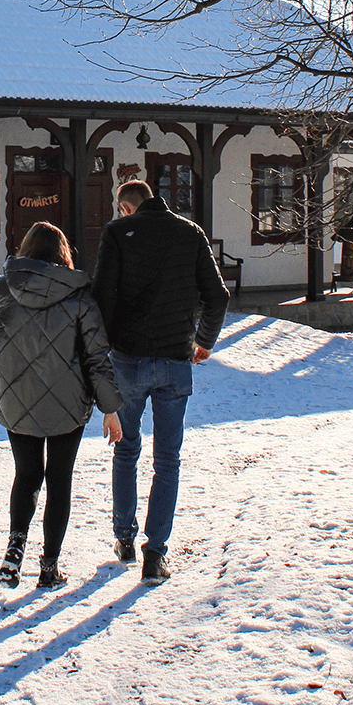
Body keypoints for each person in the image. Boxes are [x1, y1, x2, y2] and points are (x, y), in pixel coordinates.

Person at [92, 179, 229, 582]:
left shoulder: (117, 233)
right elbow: (217, 296)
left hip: (129, 358)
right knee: (167, 459)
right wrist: (202, 342)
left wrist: (104, 353)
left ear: (126, 207)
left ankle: (124, 537)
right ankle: (156, 554)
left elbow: (103, 298)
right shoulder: (191, 233)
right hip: (174, 358)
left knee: (126, 449)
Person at [0, 221, 123, 590]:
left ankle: (15, 545)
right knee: (59, 480)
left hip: (16, 395)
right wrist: (111, 409)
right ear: (63, 252)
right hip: (67, 398)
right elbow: (96, 356)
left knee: (27, 474)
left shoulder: (3, 286)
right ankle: (49, 567)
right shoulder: (79, 295)